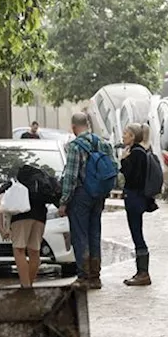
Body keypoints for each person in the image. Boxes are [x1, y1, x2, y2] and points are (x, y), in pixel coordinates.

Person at [58, 111, 118, 289]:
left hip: (81, 195)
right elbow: (114, 167)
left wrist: (64, 201)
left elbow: (70, 176)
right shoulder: (103, 143)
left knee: (80, 235)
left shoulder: (74, 147)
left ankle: (83, 276)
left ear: (74, 127)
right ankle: (95, 276)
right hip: (98, 195)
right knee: (95, 233)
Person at [0, 162, 52, 288]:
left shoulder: (9, 186)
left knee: (19, 250)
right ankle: (29, 284)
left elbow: (0, 205)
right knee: (34, 252)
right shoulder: (37, 185)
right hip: (40, 218)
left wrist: (2, 229)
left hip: (20, 218)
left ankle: (25, 286)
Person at [120, 122, 155, 286]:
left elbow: (131, 177)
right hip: (138, 198)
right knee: (136, 233)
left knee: (137, 234)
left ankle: (143, 272)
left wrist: (123, 161)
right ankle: (141, 271)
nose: (123, 136)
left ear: (133, 136)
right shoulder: (141, 151)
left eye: (126, 134)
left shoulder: (135, 154)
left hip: (134, 198)